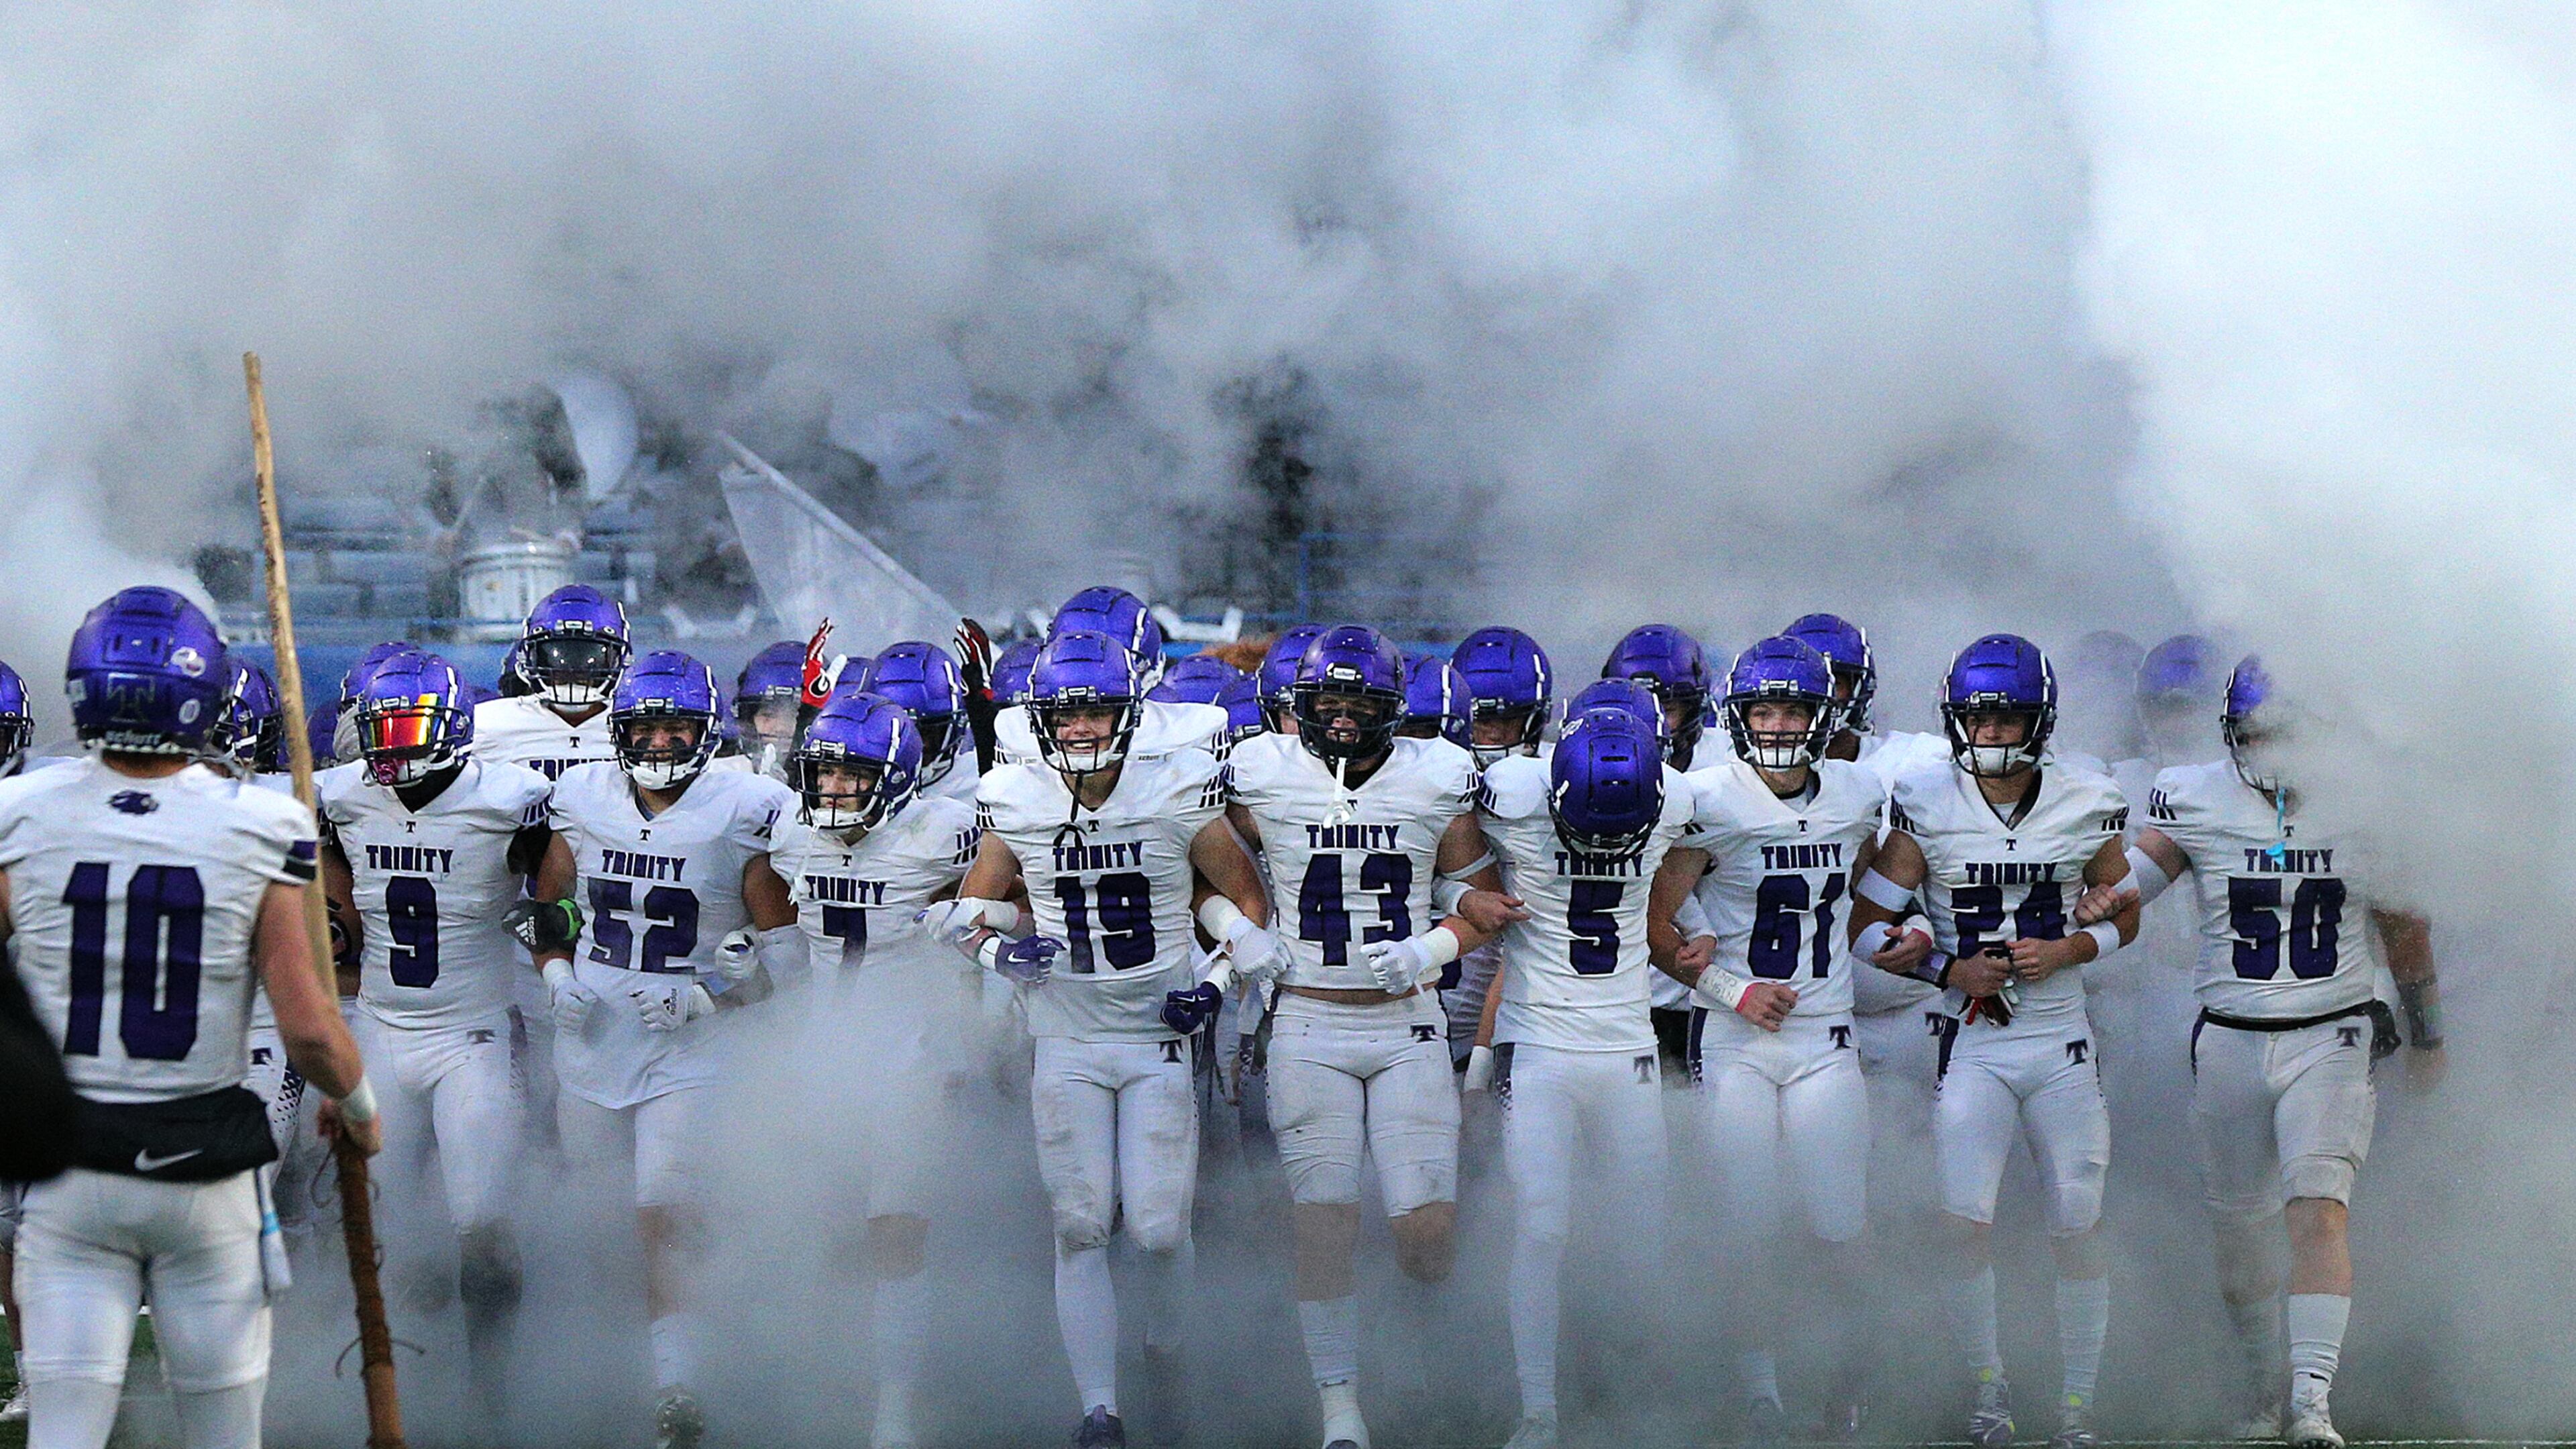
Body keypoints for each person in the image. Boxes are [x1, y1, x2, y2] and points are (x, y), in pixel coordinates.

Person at [5, 586, 378, 1449]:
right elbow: (310, 1028)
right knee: (221, 1433)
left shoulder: (19, 812)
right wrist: (358, 1106)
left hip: (71, 1162)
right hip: (205, 1170)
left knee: (65, 1431)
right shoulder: (263, 822)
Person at [923, 628, 1284, 1449]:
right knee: (1081, 1223)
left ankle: (1168, 1356)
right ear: (1042, 719)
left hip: (1157, 1035)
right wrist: (995, 948)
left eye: (1096, 710)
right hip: (1067, 1040)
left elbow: (1248, 905)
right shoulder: (1017, 797)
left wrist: (1216, 986)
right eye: (1066, 712)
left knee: (1159, 1230)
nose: (1081, 727)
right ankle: (1099, 1411)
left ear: (1128, 714)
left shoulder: (1177, 789)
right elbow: (965, 916)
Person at [2070, 657, 2441, 1449]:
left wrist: (2428, 1031)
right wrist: (2108, 894)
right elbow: (2144, 875)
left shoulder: (2365, 807)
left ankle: (2312, 1401)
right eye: (2255, 734)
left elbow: (2406, 931)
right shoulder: (2198, 796)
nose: (2269, 753)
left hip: (2332, 1031)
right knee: (2240, 1231)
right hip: (2232, 1035)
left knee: (2318, 1212)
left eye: (2285, 736)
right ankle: (2261, 1386)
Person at [1843, 635, 2139, 1449]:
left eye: (2008, 718)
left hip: (2062, 1039)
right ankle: (1989, 1390)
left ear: (2039, 721)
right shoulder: (1926, 800)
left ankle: (2079, 1403)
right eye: (1978, 720)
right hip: (1972, 1044)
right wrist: (1942, 966)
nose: (1993, 735)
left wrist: (2073, 948)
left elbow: (2128, 913)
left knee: (2078, 1220)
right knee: (1963, 1221)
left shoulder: (2088, 797)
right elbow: (1865, 926)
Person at [1222, 625, 1507, 1449]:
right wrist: (1233, 926)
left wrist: (1431, 947)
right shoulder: (1259, 774)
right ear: (1298, 707)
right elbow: (1194, 857)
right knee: (1324, 1226)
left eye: (1360, 704)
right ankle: (1340, 1409)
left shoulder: (1435, 779)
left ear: (1394, 710)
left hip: (1407, 1026)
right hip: (1306, 1021)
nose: (1343, 719)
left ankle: (1415, 1357)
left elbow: (1487, 905)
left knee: (1424, 1241)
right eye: (1328, 702)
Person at [512, 649, 802, 1449]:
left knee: (664, 1212)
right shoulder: (582, 797)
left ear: (708, 733)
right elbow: (546, 907)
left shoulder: (745, 808)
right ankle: (621, 1370)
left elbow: (791, 961)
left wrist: (711, 995)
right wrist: (559, 975)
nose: (662, 742)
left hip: (694, 1049)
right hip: (594, 1039)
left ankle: (680, 1385)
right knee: (601, 1218)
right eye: (647, 725)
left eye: (678, 726)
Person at [1652, 637, 1884, 1441]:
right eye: (1764, 709)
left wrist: (1910, 935)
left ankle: (1844, 1377)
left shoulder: (1859, 792)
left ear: (1824, 718)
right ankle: (1761, 1389)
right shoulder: (1708, 798)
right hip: (1736, 1040)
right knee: (1748, 1221)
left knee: (1836, 1220)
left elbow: (1868, 891)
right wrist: (1729, 988)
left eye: (1792, 709)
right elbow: (1654, 931)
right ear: (1738, 716)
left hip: (1827, 1036)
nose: (1778, 723)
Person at [318, 650, 553, 1430]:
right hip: (382, 1029)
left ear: (453, 729)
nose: (391, 745)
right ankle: (398, 1371)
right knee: (383, 1222)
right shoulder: (342, 795)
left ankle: (495, 1386)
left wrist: (554, 935)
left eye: (409, 726)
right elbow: (325, 870)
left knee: (481, 1219)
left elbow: (559, 886)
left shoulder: (514, 799)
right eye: (379, 729)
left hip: (475, 1034)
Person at [1470, 707, 1703, 1449]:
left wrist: (1703, 944)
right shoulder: (1509, 794)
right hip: (1538, 1045)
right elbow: (1451, 869)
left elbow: (1676, 903)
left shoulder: (1676, 799)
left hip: (1626, 1045)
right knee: (1543, 1227)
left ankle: (1630, 1395)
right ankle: (1538, 1409)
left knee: (1640, 1230)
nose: (1606, 841)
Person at [768, 690, 980, 1449]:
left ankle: (896, 1409)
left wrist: (979, 935)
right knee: (823, 1229)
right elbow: (764, 909)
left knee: (896, 1230)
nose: (828, 791)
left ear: (896, 778)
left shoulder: (942, 833)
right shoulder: (792, 831)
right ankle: (824, 1381)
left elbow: (1011, 885)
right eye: (820, 775)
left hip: (915, 1051)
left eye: (849, 776)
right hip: (824, 1047)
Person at [858, 642, 975, 800]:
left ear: (956, 726)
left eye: (925, 733)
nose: (915, 748)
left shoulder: (976, 785)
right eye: (897, 736)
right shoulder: (850, 787)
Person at [1600, 624, 1714, 769]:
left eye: (1666, 710)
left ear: (1693, 710)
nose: (1651, 725)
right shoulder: (1591, 767)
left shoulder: (1725, 763)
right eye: (1634, 711)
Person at [733, 639, 810, 777]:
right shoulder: (725, 777)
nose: (781, 727)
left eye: (795, 715)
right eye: (769, 715)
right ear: (749, 719)